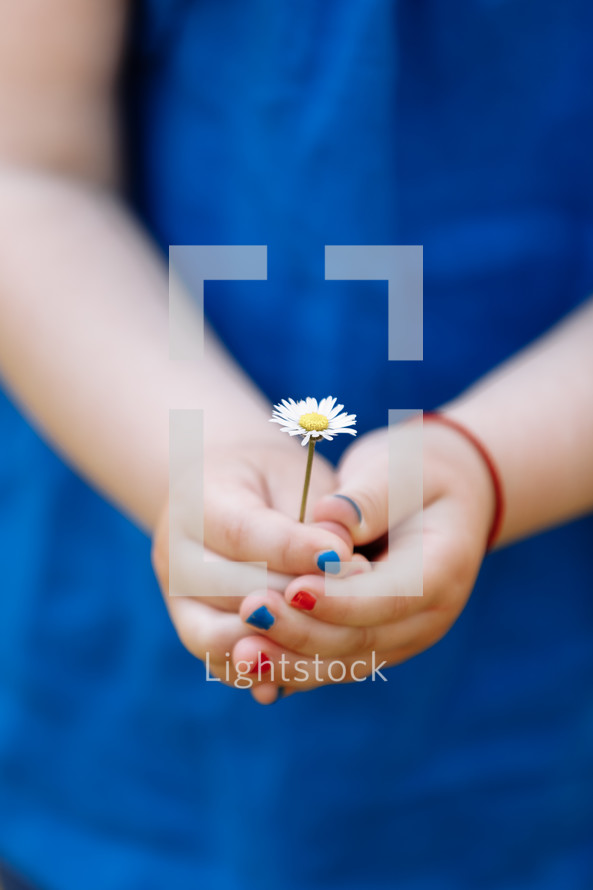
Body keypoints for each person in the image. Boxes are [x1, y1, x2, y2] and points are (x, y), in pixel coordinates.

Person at [0, 1, 592, 888]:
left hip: (539, 717)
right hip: (125, 705)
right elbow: (29, 171)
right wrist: (195, 462)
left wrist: (490, 465)